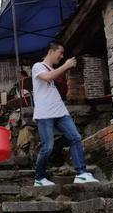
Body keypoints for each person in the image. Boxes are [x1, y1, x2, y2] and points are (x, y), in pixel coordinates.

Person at [32, 40, 98, 186]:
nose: (62, 56)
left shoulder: (54, 69)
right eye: (60, 53)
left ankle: (81, 173)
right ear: (51, 51)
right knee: (47, 147)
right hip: (44, 114)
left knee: (75, 138)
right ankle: (39, 178)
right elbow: (47, 77)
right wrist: (66, 66)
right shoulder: (38, 66)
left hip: (60, 111)